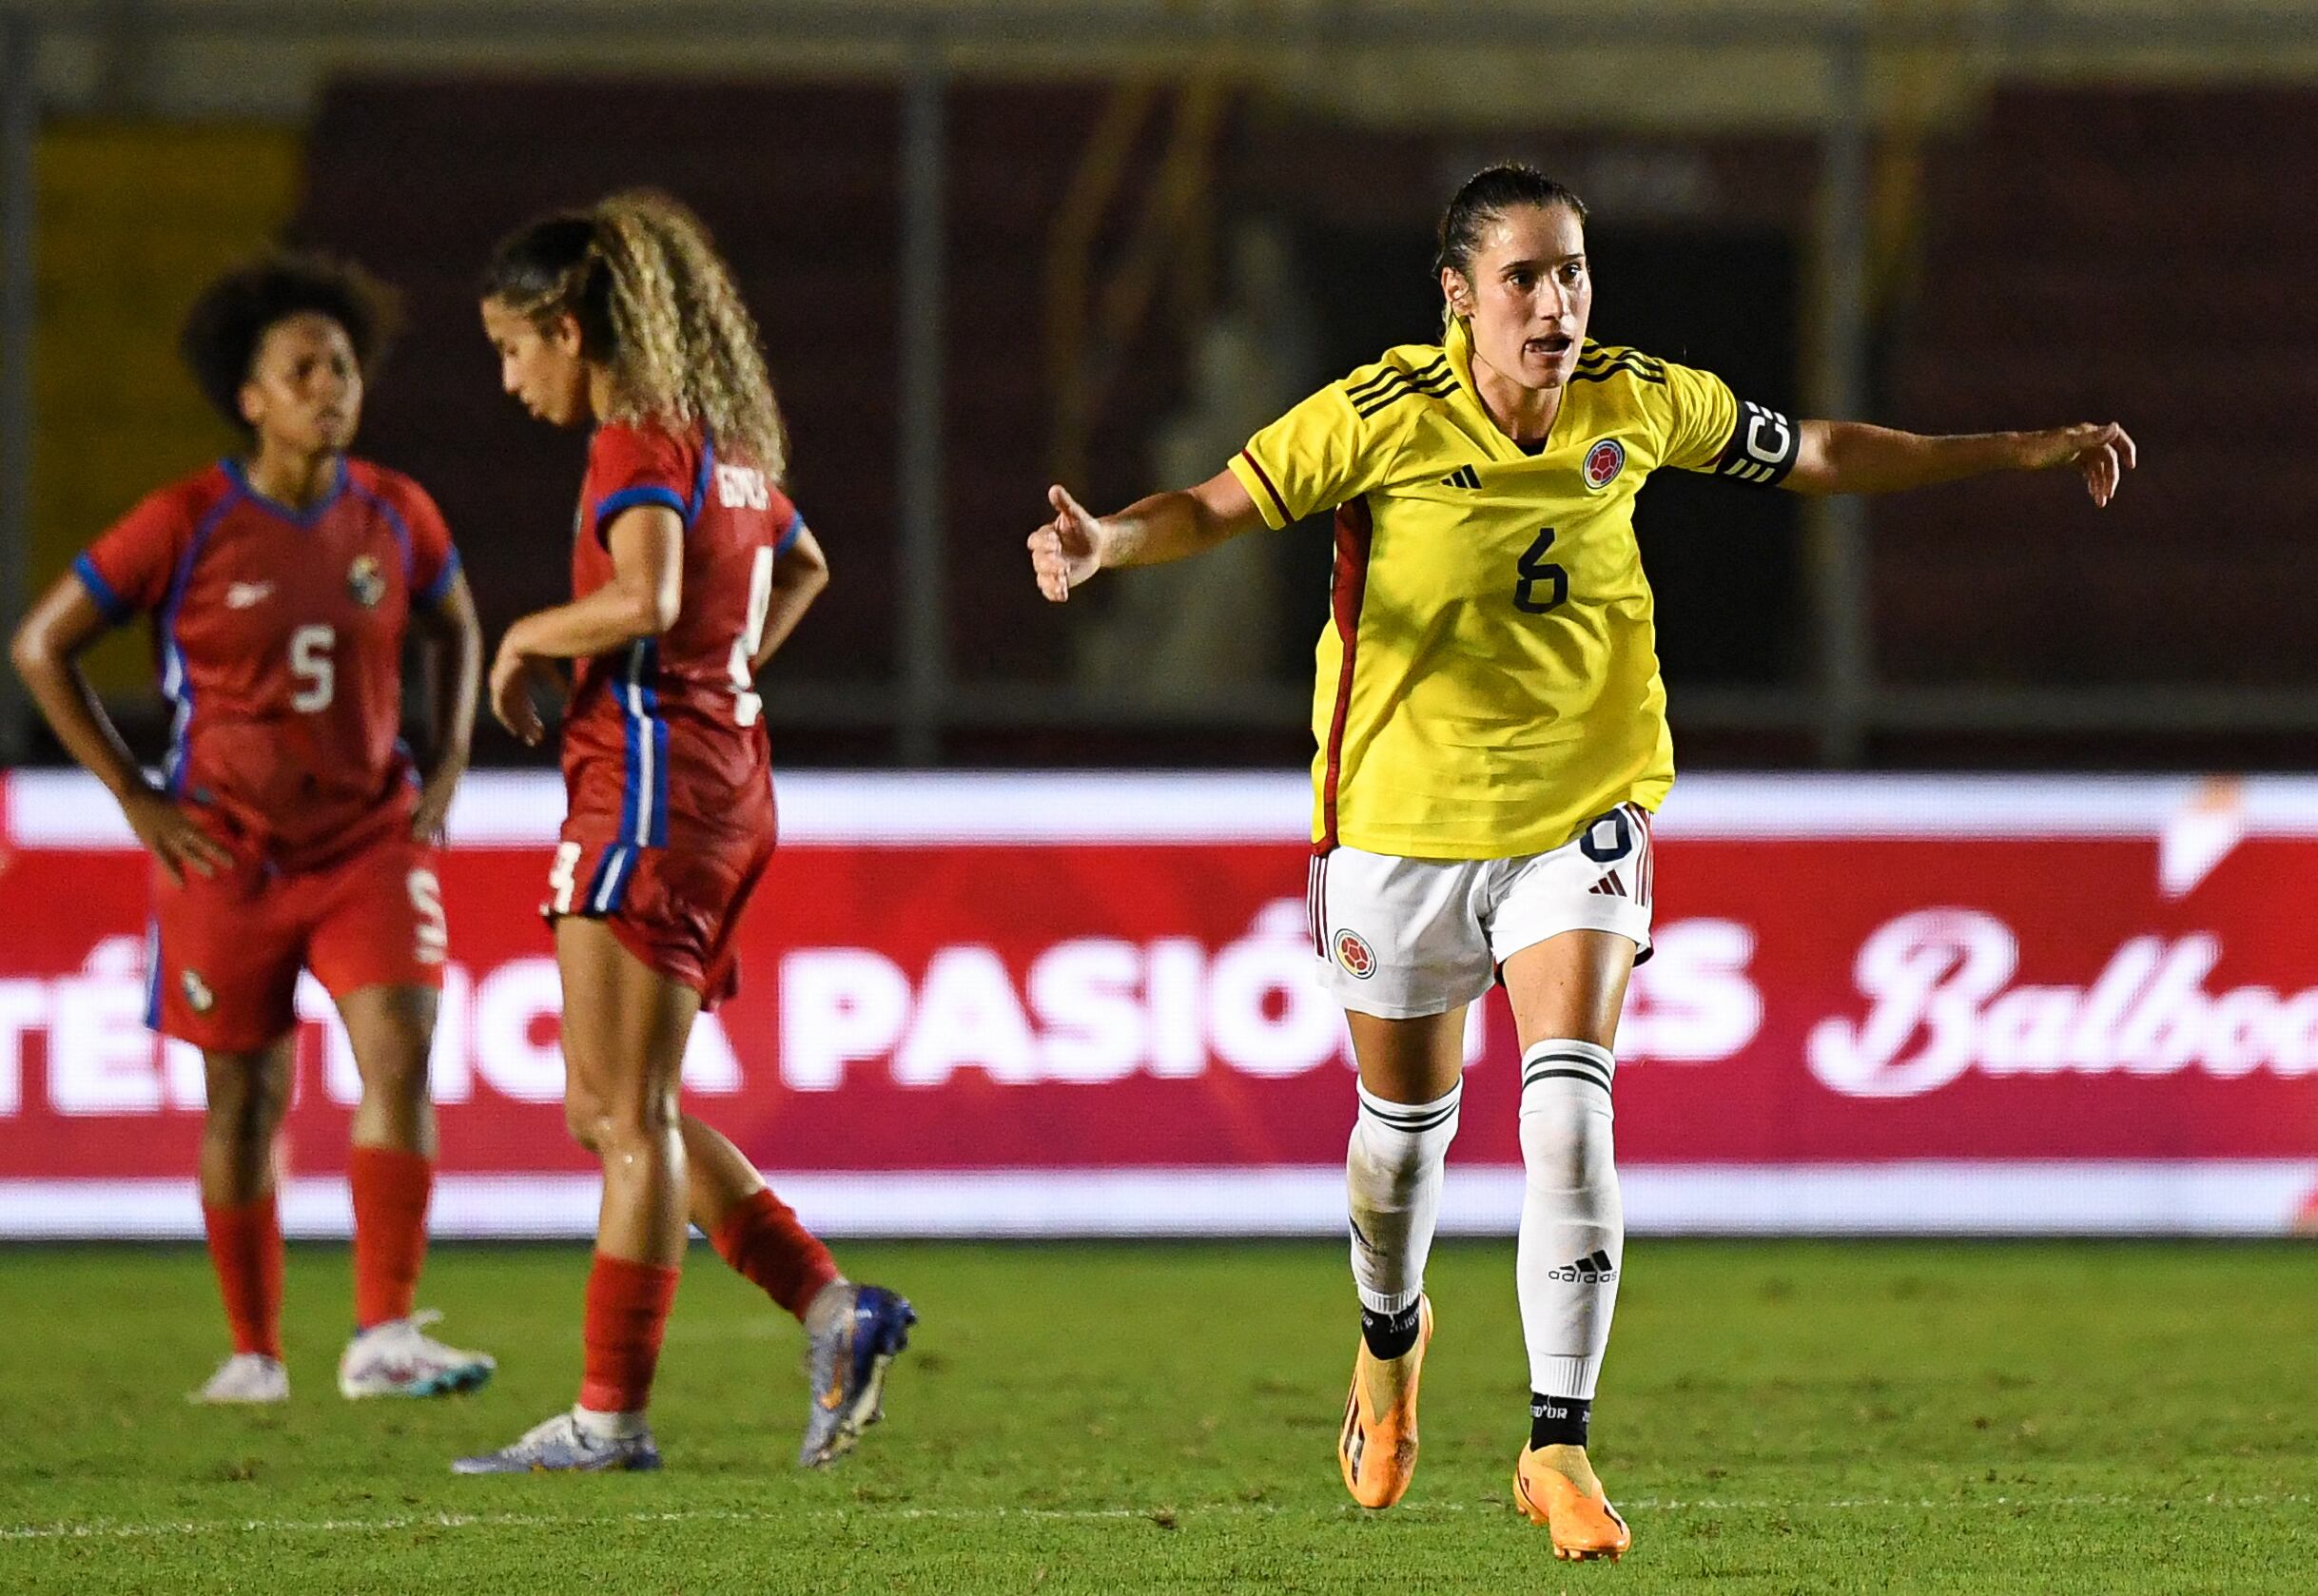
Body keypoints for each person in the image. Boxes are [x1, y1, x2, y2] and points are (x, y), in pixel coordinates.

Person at [1027, 163, 2134, 1560]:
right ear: (1456, 299)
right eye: (1524, 280)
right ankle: (1389, 1335)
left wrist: (2018, 447)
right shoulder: (1376, 416)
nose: (1556, 305)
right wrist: (1108, 541)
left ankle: (1557, 1441)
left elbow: (1822, 454)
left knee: (1568, 1106)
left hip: (1580, 810)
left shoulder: (1638, 397)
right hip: (1395, 822)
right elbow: (1214, 504)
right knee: (1398, 1146)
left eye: (1572, 274)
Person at [456, 191, 914, 1475]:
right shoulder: (728, 443)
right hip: (715, 774)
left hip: (651, 784)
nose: (507, 378)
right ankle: (835, 1310)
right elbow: (804, 564)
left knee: (624, 1115)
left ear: (566, 325)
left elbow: (646, 596)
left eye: (512, 347)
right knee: (611, 1106)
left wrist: (525, 637)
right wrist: (727, 673)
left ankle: (612, 1415)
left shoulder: (635, 442)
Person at [10, 253, 495, 1405]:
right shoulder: (185, 523)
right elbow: (42, 646)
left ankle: (383, 1333)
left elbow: (458, 626)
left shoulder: (395, 509)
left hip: (367, 842)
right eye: (304, 369)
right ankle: (255, 1350)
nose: (332, 386)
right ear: (252, 397)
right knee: (245, 1100)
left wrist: (452, 753)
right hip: (226, 852)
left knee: (400, 1053)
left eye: (342, 366)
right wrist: (135, 796)